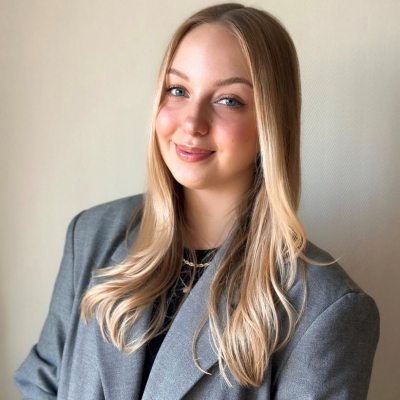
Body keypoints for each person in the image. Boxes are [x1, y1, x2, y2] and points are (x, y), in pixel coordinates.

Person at [14, 3, 380, 399]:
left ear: (272, 123)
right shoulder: (90, 236)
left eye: (229, 100)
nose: (192, 122)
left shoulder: (325, 309)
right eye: (178, 90)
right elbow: (41, 386)